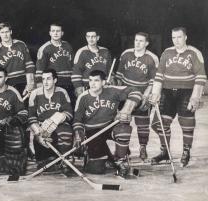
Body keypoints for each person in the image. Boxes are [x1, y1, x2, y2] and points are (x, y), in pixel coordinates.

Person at [149, 27, 207, 167]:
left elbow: (200, 77)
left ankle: (186, 152)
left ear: (185, 37)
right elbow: (159, 75)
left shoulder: (194, 53)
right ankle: (165, 152)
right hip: (167, 92)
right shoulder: (167, 52)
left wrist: (195, 97)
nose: (176, 40)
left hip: (186, 91)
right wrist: (156, 93)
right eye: (173, 37)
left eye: (179, 37)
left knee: (186, 124)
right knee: (159, 124)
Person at [73, 70, 142, 178]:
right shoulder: (83, 97)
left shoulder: (112, 91)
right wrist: (79, 136)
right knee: (97, 170)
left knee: (123, 129)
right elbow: (77, 120)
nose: (92, 84)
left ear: (104, 82)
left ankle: (120, 161)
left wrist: (126, 110)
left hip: (109, 126)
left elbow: (136, 92)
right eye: (90, 80)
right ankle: (108, 158)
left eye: (96, 80)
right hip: (92, 132)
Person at [115, 32, 159, 161]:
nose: (137, 43)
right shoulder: (126, 54)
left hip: (142, 93)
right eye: (136, 40)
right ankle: (125, 148)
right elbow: (119, 76)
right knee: (124, 120)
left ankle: (143, 147)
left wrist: (146, 95)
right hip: (127, 93)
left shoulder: (152, 58)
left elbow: (153, 81)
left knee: (142, 124)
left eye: (141, 41)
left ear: (147, 43)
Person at [0, 67, 28, 175]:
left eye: (0, 77)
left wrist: (12, 119)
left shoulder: (13, 92)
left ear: (6, 78)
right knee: (0, 165)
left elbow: (24, 113)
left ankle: (17, 158)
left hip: (9, 131)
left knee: (14, 168)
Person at [28, 68, 73, 172]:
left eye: (48, 79)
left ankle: (64, 160)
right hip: (41, 129)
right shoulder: (35, 94)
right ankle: (48, 159)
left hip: (59, 127)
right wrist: (38, 133)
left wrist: (56, 118)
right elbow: (31, 117)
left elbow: (69, 113)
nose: (45, 82)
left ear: (55, 80)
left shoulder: (62, 92)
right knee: (45, 166)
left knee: (66, 131)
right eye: (43, 79)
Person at [0, 22, 35, 97]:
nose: (5, 35)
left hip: (23, 80)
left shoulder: (21, 44)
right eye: (2, 32)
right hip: (7, 83)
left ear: (11, 32)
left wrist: (30, 84)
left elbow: (29, 65)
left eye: (7, 32)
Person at [35, 23, 75, 106]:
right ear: (50, 33)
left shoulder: (68, 46)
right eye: (53, 31)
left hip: (69, 82)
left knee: (69, 106)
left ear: (62, 33)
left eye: (58, 31)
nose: (56, 33)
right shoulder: (45, 48)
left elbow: (73, 65)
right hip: (55, 83)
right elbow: (40, 69)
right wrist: (40, 85)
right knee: (56, 106)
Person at [71, 28, 112, 97]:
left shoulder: (105, 51)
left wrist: (111, 79)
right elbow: (76, 72)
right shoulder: (81, 52)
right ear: (86, 38)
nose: (90, 39)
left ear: (98, 38)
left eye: (93, 36)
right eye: (88, 37)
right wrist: (78, 86)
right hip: (87, 86)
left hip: (103, 86)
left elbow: (110, 70)